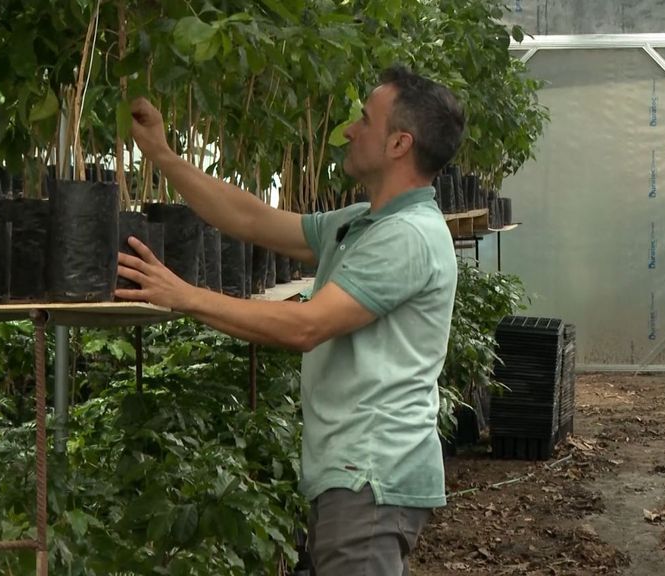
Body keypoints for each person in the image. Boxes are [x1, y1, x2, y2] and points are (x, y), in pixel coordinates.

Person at [116, 65, 465, 575]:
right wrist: (163, 156)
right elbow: (251, 218)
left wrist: (185, 296)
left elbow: (306, 326)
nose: (349, 130)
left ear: (398, 144)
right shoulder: (360, 224)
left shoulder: (407, 236)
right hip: (350, 474)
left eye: (364, 120)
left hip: (370, 477)